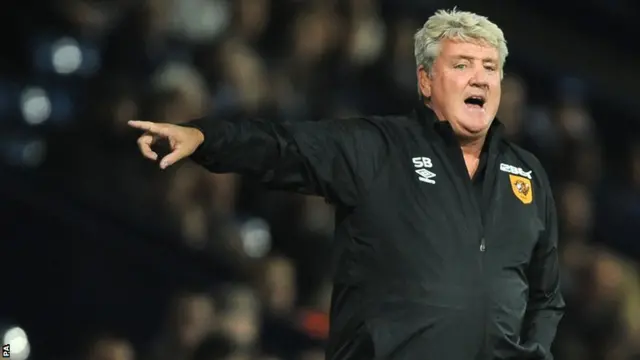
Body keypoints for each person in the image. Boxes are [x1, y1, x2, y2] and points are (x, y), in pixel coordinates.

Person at [129, 9, 565, 360]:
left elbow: (545, 295)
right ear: (426, 80)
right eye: (462, 65)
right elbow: (286, 148)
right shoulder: (380, 147)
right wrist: (205, 138)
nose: (479, 78)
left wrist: (536, 351)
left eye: (490, 67)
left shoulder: (527, 175)